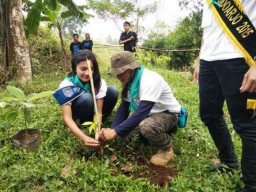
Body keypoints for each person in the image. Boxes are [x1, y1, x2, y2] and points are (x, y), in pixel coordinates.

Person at [193, 1, 256, 192]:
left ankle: (252, 185)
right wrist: (199, 58)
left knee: (246, 125)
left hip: (239, 58)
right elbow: (209, 30)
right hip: (209, 60)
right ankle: (229, 162)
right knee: (209, 114)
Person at [99, 51, 181, 166]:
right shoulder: (130, 82)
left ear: (131, 69)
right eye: (116, 73)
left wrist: (115, 131)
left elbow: (141, 112)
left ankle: (167, 148)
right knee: (121, 138)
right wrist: (113, 130)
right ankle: (150, 136)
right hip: (148, 117)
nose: (118, 77)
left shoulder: (150, 80)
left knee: (147, 126)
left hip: (168, 116)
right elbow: (124, 107)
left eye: (121, 72)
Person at [53, 50, 119, 148]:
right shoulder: (66, 85)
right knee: (86, 98)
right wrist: (83, 137)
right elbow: (66, 117)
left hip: (93, 112)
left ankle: (96, 125)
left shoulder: (99, 82)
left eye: (91, 69)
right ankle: (82, 125)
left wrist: (97, 130)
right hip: (79, 112)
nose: (88, 73)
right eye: (83, 69)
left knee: (113, 91)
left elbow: (98, 112)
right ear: (75, 68)